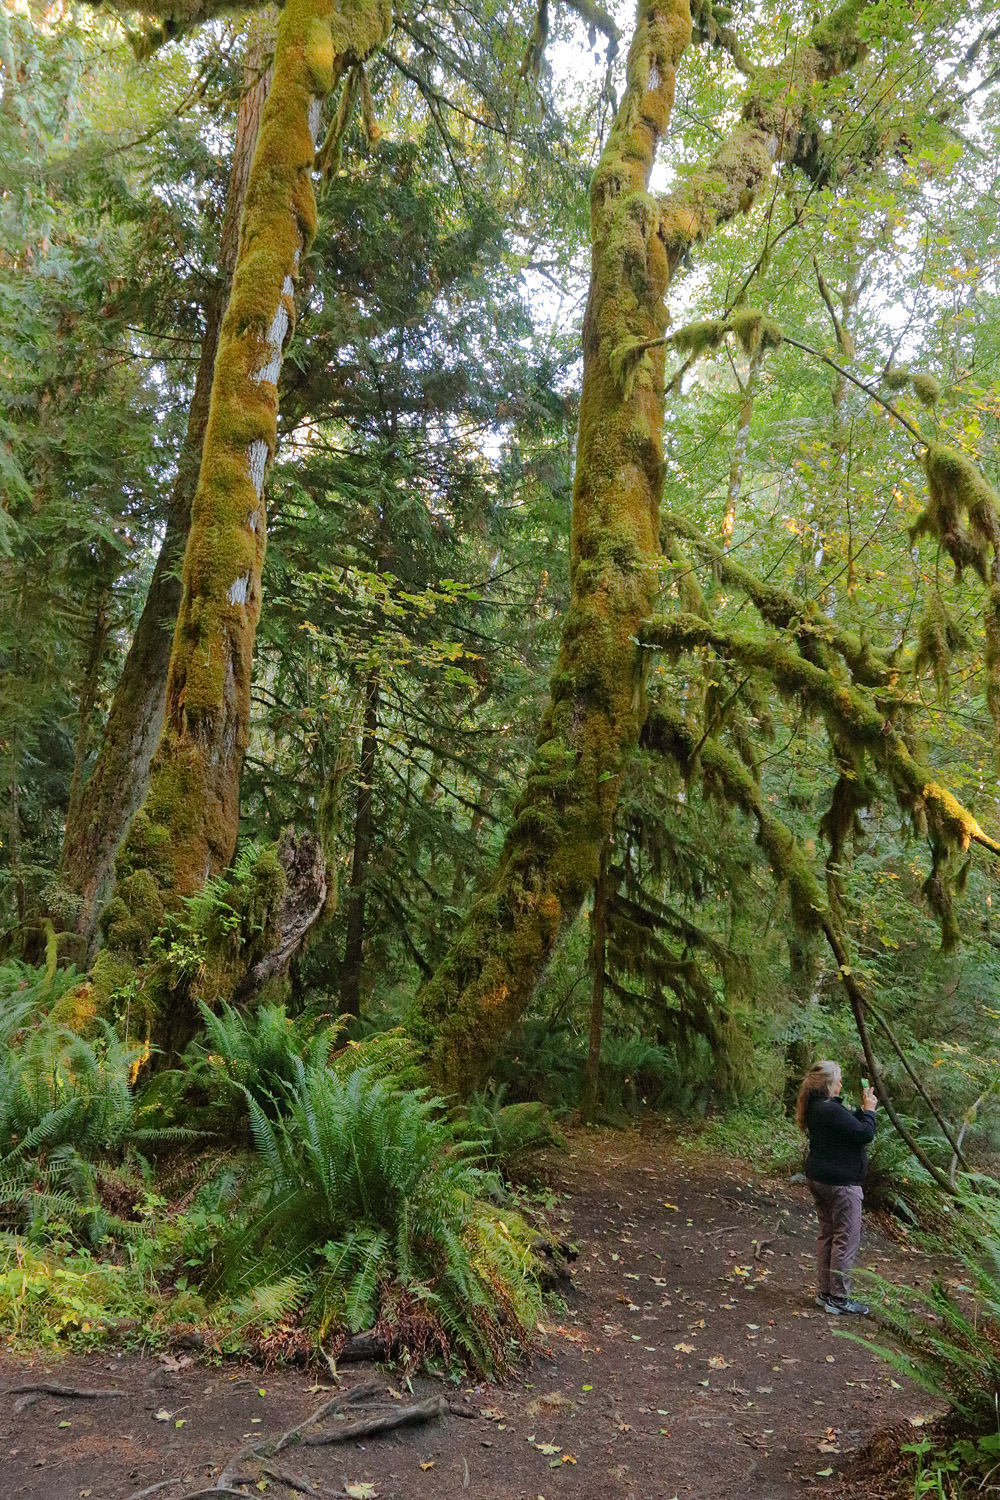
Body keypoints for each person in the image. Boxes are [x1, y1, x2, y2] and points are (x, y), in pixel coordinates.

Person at [795, 1060, 877, 1316]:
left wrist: (864, 1108)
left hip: (821, 1179)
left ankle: (826, 1292)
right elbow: (865, 1133)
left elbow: (850, 1123)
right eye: (838, 1079)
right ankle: (839, 1298)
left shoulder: (818, 1108)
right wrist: (871, 1110)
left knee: (828, 1235)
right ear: (828, 1083)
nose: (841, 1083)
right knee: (845, 1237)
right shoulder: (829, 1110)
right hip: (840, 1185)